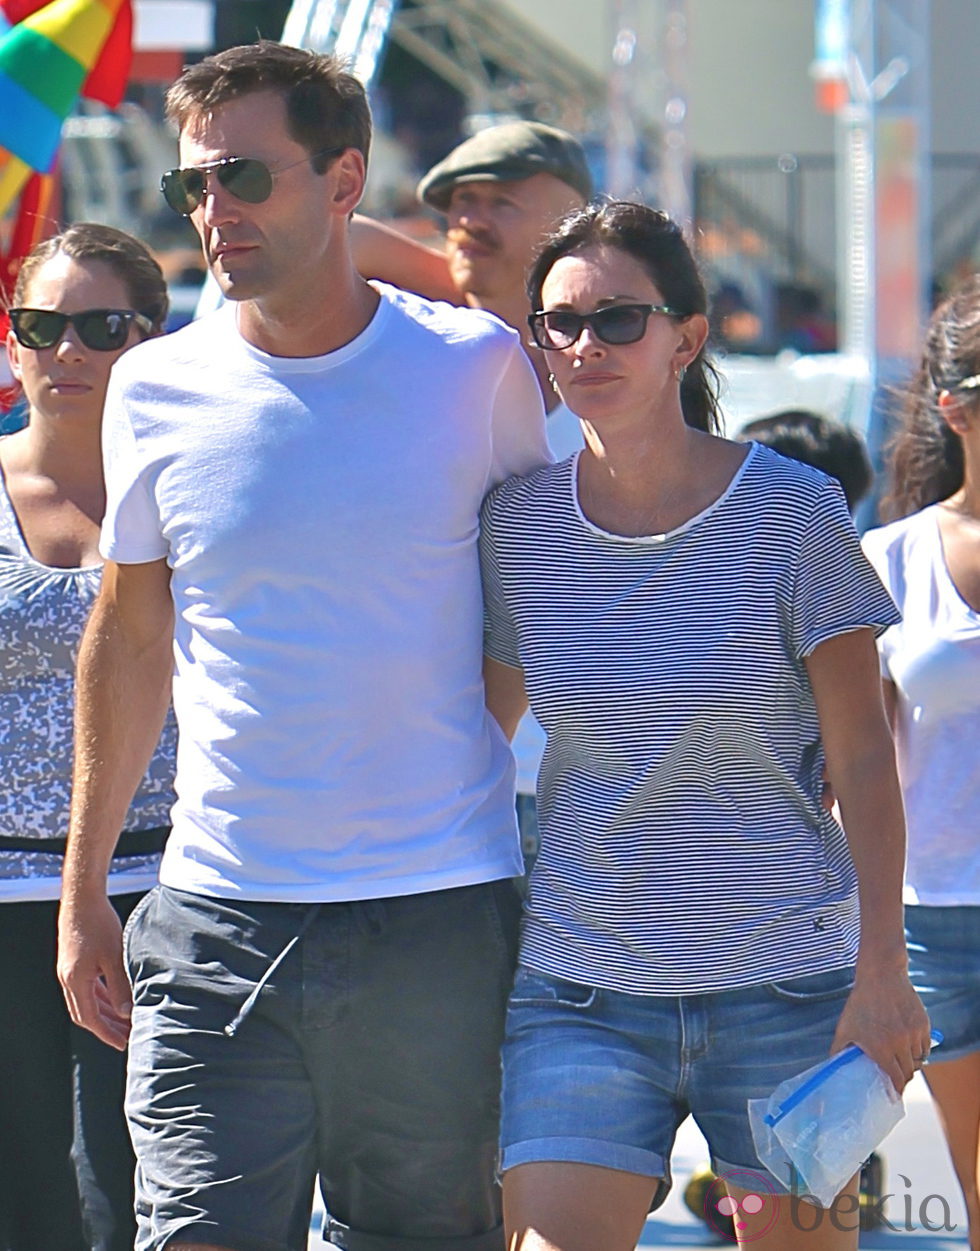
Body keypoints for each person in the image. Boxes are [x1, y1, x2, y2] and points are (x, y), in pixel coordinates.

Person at [56, 40, 548, 1251]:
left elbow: (527, 608)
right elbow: (127, 641)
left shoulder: (474, 368)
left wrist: (440, 755)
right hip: (216, 912)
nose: (213, 213)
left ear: (344, 179)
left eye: (243, 179)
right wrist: (83, 890)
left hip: (435, 912)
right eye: (193, 189)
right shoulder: (154, 385)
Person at [478, 201, 930, 1251]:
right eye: (558, 324)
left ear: (685, 337)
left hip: (791, 991)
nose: (583, 346)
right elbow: (472, 744)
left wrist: (881, 973)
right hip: (576, 989)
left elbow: (863, 758)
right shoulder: (516, 527)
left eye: (617, 320)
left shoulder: (793, 512)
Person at [352, 121, 593, 880]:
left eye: (500, 202)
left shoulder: (619, 366)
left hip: (581, 781)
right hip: (436, 783)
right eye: (458, 206)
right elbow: (335, 240)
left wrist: (558, 272)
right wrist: (467, 271)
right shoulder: (425, 356)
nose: (470, 220)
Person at [0, 223, 176, 1251]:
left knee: (143, 1197)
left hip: (169, 890)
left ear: (150, 338)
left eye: (102, 328)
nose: (67, 352)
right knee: (25, 1206)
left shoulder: (190, 485)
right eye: (42, 325)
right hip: (2, 899)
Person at [862, 277, 980, 1251]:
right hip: (930, 917)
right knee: (966, 1176)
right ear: (954, 407)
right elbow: (849, 771)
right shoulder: (888, 560)